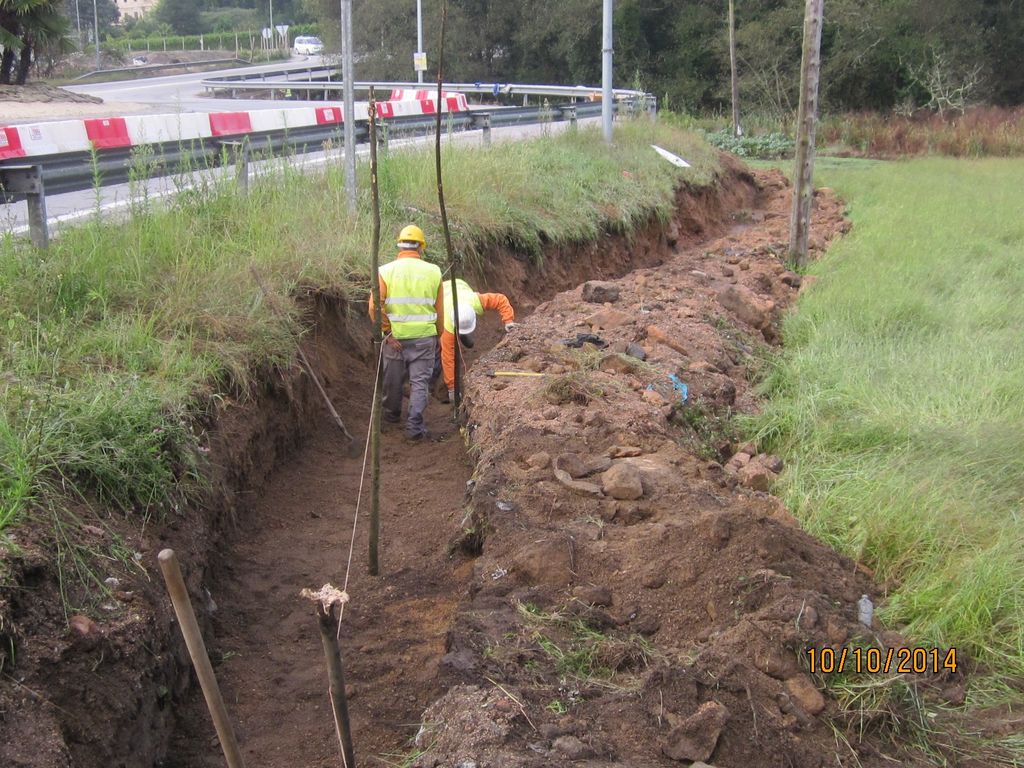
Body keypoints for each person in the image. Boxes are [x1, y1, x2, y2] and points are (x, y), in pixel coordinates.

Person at [368, 225, 443, 441]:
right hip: (424, 338)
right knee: (420, 383)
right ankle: (414, 428)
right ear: (421, 247)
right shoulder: (434, 271)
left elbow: (375, 306)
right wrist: (437, 335)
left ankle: (391, 416)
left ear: (399, 245)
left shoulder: (384, 271)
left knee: (392, 379)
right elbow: (440, 309)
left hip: (395, 339)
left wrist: (387, 332)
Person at [435, 277, 518, 403]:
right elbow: (448, 358)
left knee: (459, 336)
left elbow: (500, 299)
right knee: (441, 347)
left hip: (459, 285)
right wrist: (452, 388)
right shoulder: (446, 324)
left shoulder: (476, 301)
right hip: (440, 292)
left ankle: (463, 336)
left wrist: (508, 320)